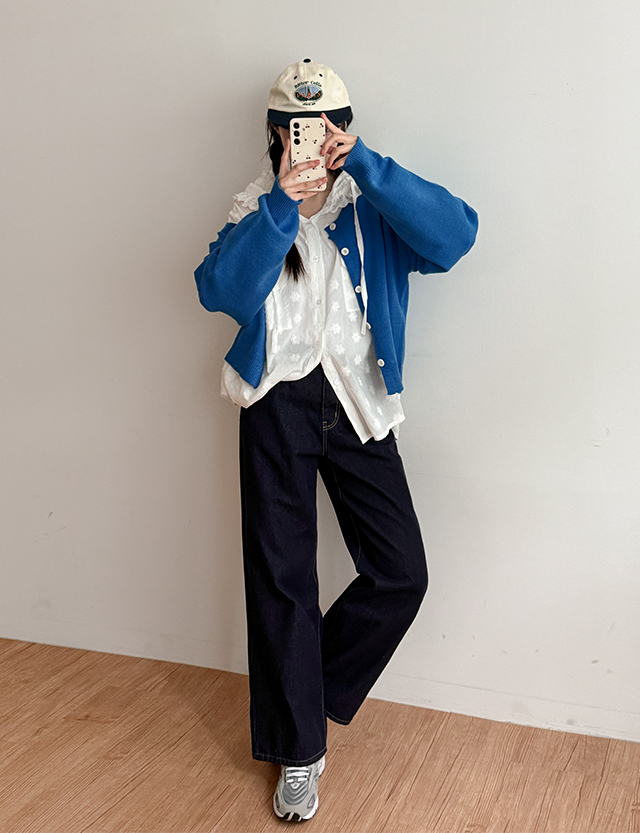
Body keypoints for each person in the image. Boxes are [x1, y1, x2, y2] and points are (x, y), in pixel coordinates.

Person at [195, 58, 478, 822]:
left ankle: (302, 688)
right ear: (275, 135)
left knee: (400, 572)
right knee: (281, 579)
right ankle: (299, 748)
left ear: (344, 131)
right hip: (275, 405)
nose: (313, 141)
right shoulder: (255, 208)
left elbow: (456, 236)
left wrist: (370, 168)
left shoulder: (370, 204)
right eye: (298, 128)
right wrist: (280, 209)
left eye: (328, 128)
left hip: (357, 404)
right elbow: (218, 291)